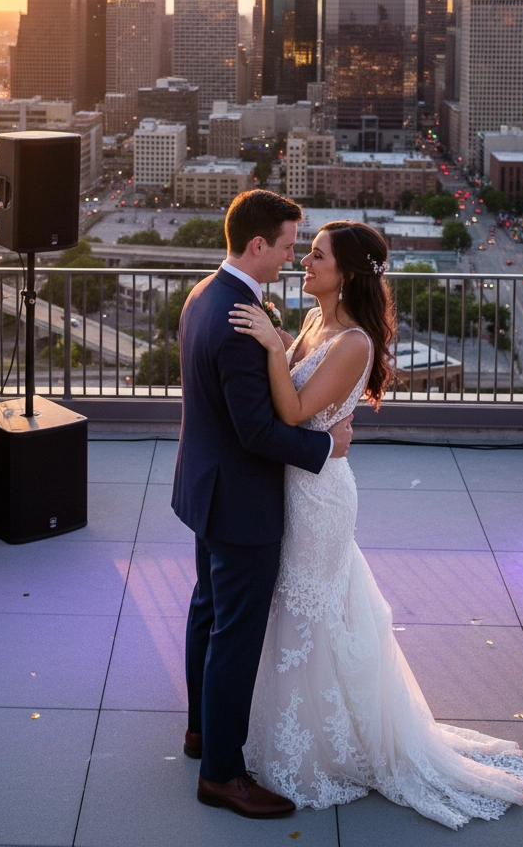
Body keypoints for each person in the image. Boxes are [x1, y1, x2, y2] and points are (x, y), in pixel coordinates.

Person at [228, 221, 523, 828]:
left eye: (317, 256)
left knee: (311, 611)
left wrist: (269, 346)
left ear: (347, 274)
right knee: (302, 609)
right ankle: (298, 730)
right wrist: (284, 340)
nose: (306, 262)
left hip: (320, 497)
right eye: (307, 252)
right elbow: (296, 399)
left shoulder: (355, 344)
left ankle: (325, 750)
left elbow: (290, 408)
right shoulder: (316, 324)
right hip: (298, 480)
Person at [171, 190, 356, 819]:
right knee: (236, 635)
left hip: (204, 487)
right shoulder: (239, 321)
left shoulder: (207, 296)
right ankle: (222, 774)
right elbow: (257, 432)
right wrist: (322, 444)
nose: (291, 256)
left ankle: (201, 732)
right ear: (257, 245)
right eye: (285, 245)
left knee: (207, 611)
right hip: (242, 503)